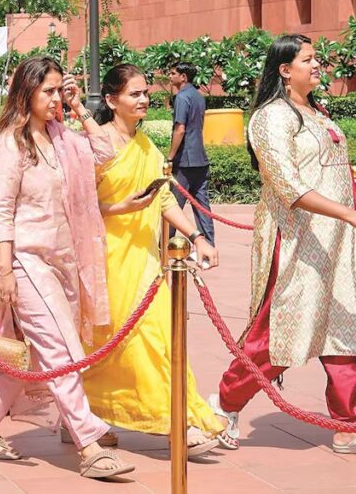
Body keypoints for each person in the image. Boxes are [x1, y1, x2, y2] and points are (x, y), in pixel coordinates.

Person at [208, 34, 356, 456]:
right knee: (279, 333)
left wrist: (350, 214)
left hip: (337, 243)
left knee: (347, 329)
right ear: (284, 70)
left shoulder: (316, 112)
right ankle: (223, 404)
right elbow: (288, 185)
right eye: (308, 60)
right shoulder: (271, 117)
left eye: (317, 59)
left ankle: (351, 426)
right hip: (296, 240)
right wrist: (351, 214)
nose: (317, 66)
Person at [0, 55, 135, 480]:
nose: (55, 97)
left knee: (22, 352)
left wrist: (78, 107)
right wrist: (4, 273)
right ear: (27, 92)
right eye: (49, 91)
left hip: (63, 261)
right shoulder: (10, 145)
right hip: (26, 262)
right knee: (59, 349)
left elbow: (107, 151)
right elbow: (2, 212)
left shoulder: (61, 137)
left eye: (60, 89)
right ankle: (89, 444)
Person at [82, 63, 230, 455]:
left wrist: (197, 236)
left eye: (146, 92)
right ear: (111, 100)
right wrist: (120, 208)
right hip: (108, 260)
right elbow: (81, 205)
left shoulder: (147, 146)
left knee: (161, 340)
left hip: (146, 261)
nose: (144, 99)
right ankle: (149, 420)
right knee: (122, 344)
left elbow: (164, 198)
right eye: (134, 93)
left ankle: (173, 418)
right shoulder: (98, 144)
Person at [166, 61, 215, 246]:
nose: (170, 77)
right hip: (200, 158)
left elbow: (180, 129)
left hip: (184, 161)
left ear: (183, 77)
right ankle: (208, 245)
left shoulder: (181, 97)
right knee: (202, 207)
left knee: (172, 204)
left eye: (173, 73)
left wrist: (170, 157)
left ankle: (166, 246)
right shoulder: (199, 96)